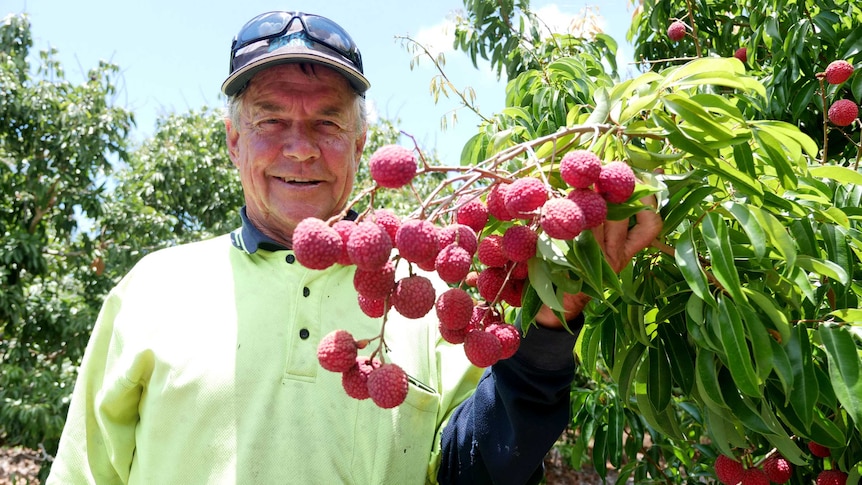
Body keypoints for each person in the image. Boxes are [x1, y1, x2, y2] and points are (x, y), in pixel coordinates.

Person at [47, 10, 662, 485]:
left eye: (328, 123)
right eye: (270, 121)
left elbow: (480, 470)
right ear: (234, 141)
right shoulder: (152, 288)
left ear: (362, 143)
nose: (301, 147)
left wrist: (551, 328)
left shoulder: (435, 299)